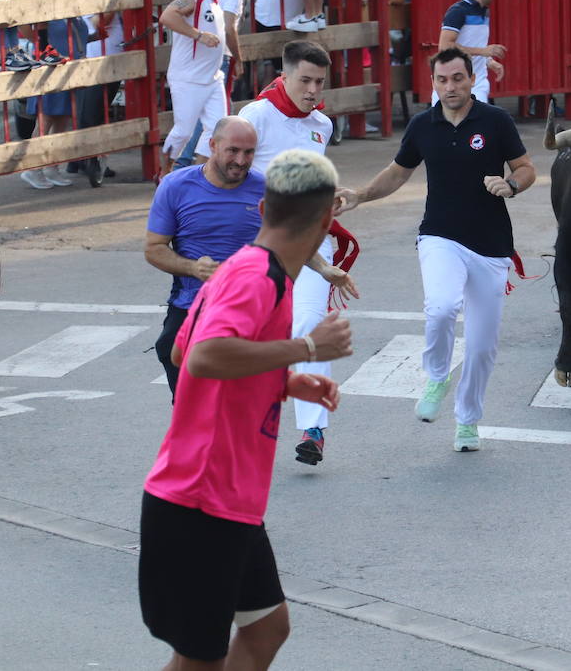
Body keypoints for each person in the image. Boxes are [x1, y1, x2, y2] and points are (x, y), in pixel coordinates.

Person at [138, 149, 350, 669]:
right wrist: (305, 350)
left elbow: (181, 351)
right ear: (327, 222)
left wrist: (283, 381)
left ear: (261, 209)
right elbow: (206, 356)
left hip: (226, 498)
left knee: (267, 631)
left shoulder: (244, 268)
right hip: (201, 498)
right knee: (198, 661)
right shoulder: (258, 277)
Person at [335, 48, 536, 453]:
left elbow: (526, 167)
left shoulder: (495, 121)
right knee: (441, 307)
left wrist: (511, 185)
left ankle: (467, 421)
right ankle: (437, 375)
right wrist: (360, 194)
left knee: (481, 347)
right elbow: (397, 173)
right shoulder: (423, 126)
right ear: (433, 83)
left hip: (491, 246)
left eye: (457, 79)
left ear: (471, 79)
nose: (450, 87)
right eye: (442, 80)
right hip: (440, 236)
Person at [239, 42, 356, 465]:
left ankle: (313, 430)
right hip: (259, 243)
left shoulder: (322, 124)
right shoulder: (255, 116)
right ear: (283, 76)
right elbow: (226, 173)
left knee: (308, 320)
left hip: (309, 240)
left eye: (319, 82)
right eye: (304, 80)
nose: (312, 90)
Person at [145, 117, 265, 397]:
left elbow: (288, 243)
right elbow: (154, 248)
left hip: (247, 308)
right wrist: (194, 268)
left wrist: (324, 268)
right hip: (191, 303)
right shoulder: (176, 187)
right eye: (233, 150)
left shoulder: (265, 189)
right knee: (168, 348)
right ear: (212, 145)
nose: (241, 160)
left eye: (249, 152)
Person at [157, 0, 229, 175]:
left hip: (211, 77)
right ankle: (164, 174)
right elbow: (167, 17)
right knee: (183, 132)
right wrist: (199, 35)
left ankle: (199, 174)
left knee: (218, 129)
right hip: (189, 78)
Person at [20, 0, 85, 190]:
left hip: (69, 72)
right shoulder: (49, 5)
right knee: (45, 121)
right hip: (50, 70)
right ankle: (33, 168)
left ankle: (52, 167)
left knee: (61, 121)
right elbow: (29, 30)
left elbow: (76, 38)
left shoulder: (75, 7)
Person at [77, 0, 124, 186]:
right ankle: (90, 163)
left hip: (113, 60)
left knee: (101, 112)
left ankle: (85, 162)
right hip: (98, 62)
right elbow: (99, 23)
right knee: (92, 113)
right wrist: (115, 1)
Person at [437, 0, 505, 104]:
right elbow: (444, 47)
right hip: (452, 87)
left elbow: (474, 43)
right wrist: (483, 51)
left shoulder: (484, 12)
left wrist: (489, 61)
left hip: (478, 84)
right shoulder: (457, 12)